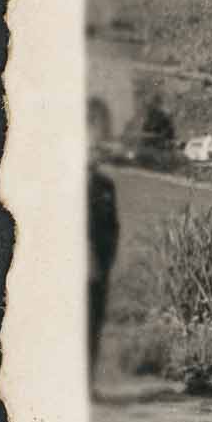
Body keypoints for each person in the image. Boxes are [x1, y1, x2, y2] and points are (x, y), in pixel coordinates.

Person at [87, 96, 120, 390]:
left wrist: (106, 260)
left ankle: (87, 384)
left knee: (94, 323)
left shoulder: (105, 185)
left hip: (99, 266)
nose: (96, 152)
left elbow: (112, 227)